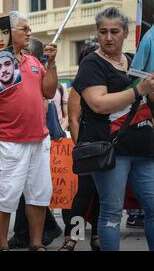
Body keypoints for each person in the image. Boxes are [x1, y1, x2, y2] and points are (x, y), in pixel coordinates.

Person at [73, 7, 154, 251]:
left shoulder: (134, 60)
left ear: (126, 33)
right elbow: (98, 104)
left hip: (144, 147)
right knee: (111, 212)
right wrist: (138, 90)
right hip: (111, 149)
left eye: (115, 31)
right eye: (103, 32)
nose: (109, 37)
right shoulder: (91, 64)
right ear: (97, 34)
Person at [0, 11, 59, 251]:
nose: (29, 33)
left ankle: (36, 244)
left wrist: (51, 64)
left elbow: (49, 92)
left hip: (39, 140)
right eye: (24, 28)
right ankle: (2, 245)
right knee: (5, 195)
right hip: (8, 142)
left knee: (39, 195)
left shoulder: (33, 61)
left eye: (28, 29)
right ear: (9, 31)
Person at [58, 44, 101, 251]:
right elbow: (73, 120)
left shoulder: (109, 80)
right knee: (84, 193)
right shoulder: (80, 85)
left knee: (104, 194)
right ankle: (72, 237)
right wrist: (81, 148)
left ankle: (96, 236)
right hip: (88, 146)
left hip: (110, 144)